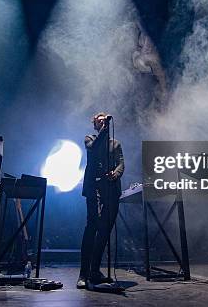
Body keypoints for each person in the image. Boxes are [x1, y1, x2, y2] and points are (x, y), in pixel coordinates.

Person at [77, 112, 124, 289]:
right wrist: (104, 130)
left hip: (111, 189)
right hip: (94, 188)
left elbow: (121, 162)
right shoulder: (90, 139)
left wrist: (116, 173)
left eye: (105, 121)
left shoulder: (116, 144)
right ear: (95, 125)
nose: (103, 123)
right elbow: (94, 148)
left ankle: (94, 271)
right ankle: (83, 273)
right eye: (99, 121)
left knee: (105, 229)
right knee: (93, 225)